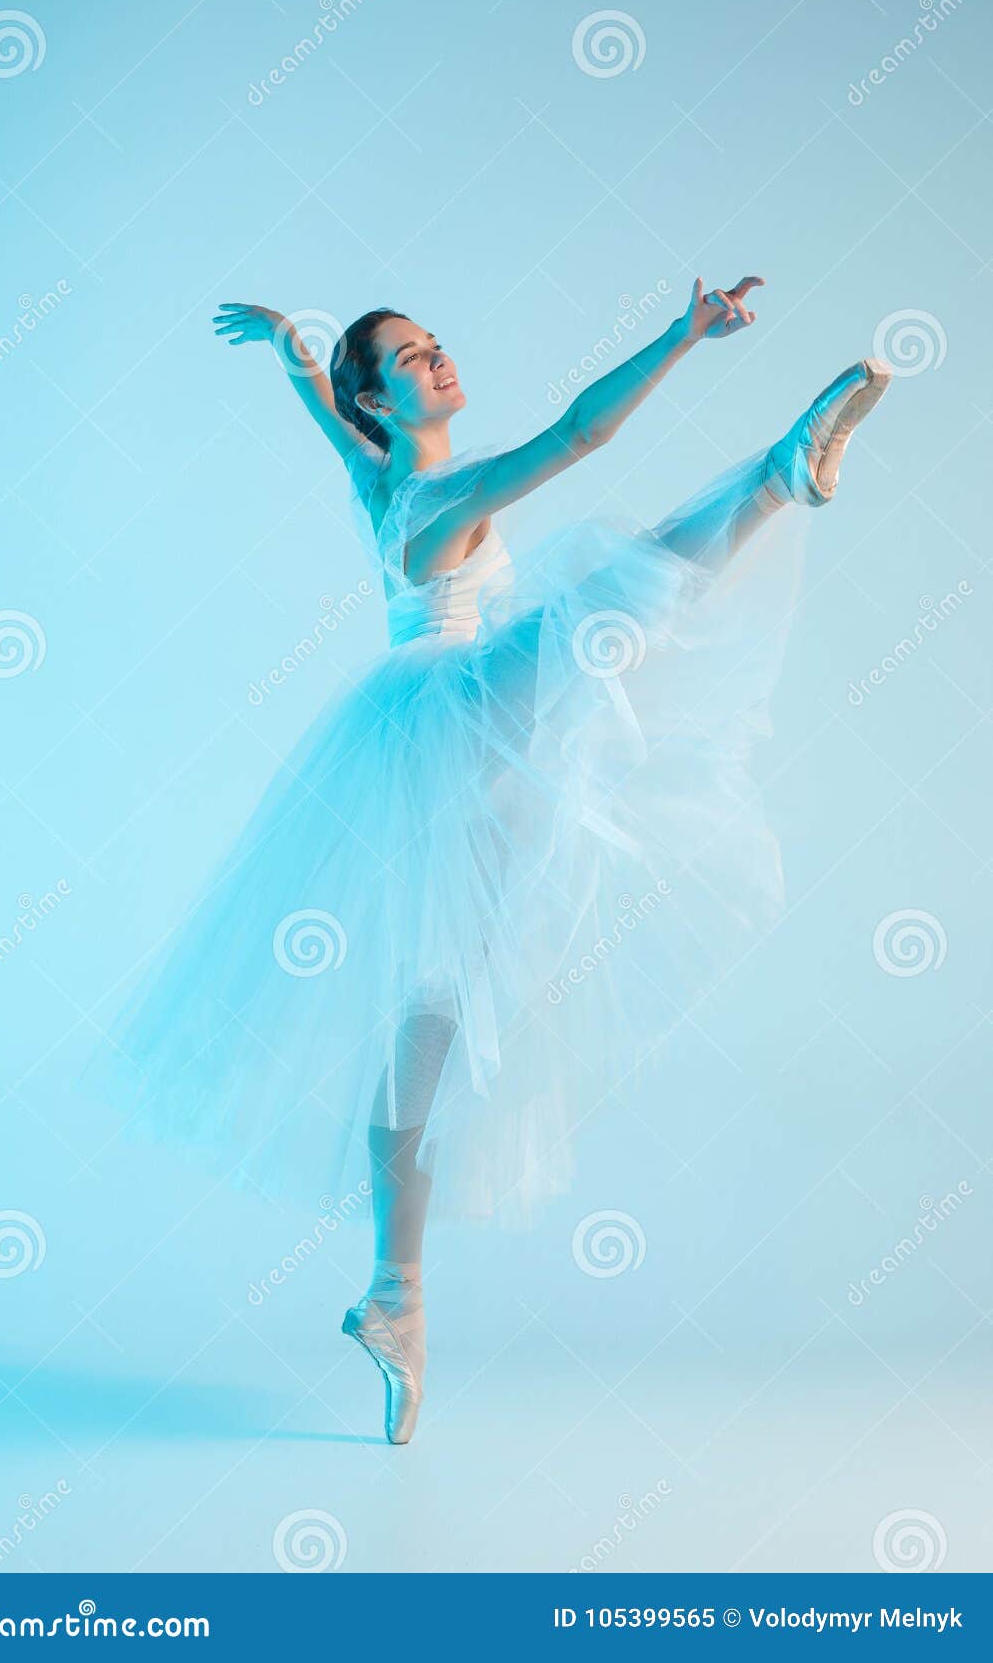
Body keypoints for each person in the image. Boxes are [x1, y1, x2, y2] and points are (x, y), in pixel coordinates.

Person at [86, 279, 891, 1444]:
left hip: (455, 766)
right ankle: (773, 477)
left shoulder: (374, 473)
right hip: (457, 717)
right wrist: (678, 334)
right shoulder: (443, 492)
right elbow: (577, 432)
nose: (440, 361)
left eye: (436, 344)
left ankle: (394, 1295)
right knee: (601, 611)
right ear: (385, 397)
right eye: (412, 359)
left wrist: (288, 350)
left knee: (433, 1011)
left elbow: (323, 411)